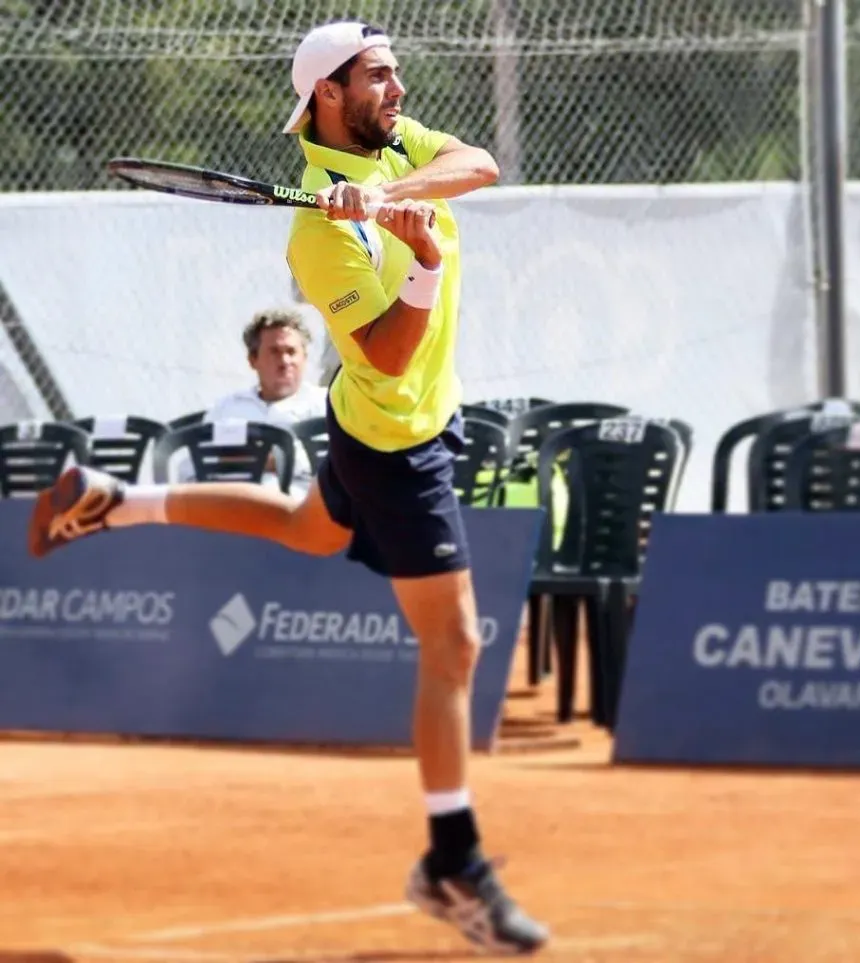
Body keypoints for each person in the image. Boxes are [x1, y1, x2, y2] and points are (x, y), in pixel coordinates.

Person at [27, 18, 548, 957]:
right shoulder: (317, 234)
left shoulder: (393, 147)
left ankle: (112, 499)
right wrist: (421, 263)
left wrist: (389, 193)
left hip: (412, 414)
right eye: (378, 77)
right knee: (456, 643)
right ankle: (451, 859)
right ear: (328, 97)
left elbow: (481, 166)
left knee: (311, 528)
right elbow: (388, 355)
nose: (396, 89)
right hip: (394, 436)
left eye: (395, 75)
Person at [186, 308, 326, 495]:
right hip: (223, 503)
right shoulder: (227, 408)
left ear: (304, 358)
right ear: (253, 359)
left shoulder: (325, 404)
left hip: (295, 507)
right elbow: (190, 465)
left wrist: (242, 458)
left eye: (291, 352)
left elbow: (333, 463)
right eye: (274, 352)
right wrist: (264, 459)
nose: (284, 361)